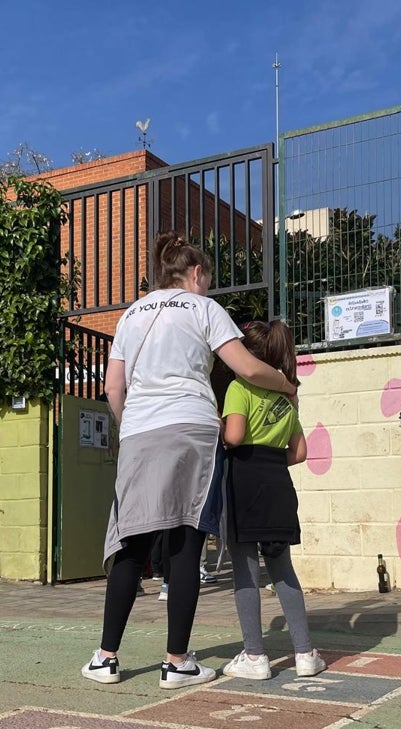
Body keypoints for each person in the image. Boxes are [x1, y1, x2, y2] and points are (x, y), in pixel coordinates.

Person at [82, 233, 299, 689]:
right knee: (185, 537)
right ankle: (176, 661)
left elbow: (112, 388)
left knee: (130, 543)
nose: (207, 286)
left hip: (140, 430)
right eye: (208, 279)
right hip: (192, 428)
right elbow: (246, 367)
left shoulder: (129, 315)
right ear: (196, 274)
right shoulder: (204, 309)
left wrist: (131, 425)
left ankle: (105, 657)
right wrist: (285, 384)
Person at [220, 320, 325, 680]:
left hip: (243, 482)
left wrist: (218, 428)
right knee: (283, 569)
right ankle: (305, 652)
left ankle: (254, 656)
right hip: (277, 481)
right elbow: (300, 452)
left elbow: (233, 436)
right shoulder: (285, 398)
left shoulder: (239, 387)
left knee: (246, 572)